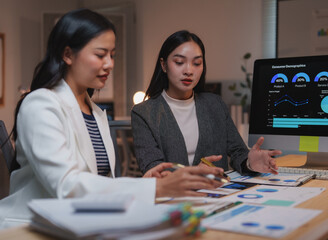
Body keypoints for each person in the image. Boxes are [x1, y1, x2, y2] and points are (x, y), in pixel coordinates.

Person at [0, 11, 223, 229]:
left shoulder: (95, 112)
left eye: (112, 55)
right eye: (100, 55)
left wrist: (143, 183)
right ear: (67, 55)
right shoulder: (40, 105)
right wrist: (155, 188)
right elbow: (68, 186)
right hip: (30, 228)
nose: (109, 64)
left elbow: (97, 182)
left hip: (81, 224)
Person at [131, 30, 282, 177]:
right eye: (179, 62)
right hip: (174, 199)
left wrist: (250, 162)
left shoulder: (214, 104)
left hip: (218, 195)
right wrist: (192, 174)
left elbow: (238, 152)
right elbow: (153, 170)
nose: (189, 70)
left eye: (196, 63)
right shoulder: (144, 113)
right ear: (163, 65)